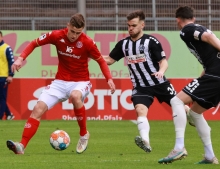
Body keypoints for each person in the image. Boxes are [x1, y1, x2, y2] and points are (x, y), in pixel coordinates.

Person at [6, 13, 116, 154]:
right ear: (68, 26)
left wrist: (109, 79)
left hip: (80, 82)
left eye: (78, 33)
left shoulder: (87, 42)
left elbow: (101, 60)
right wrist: (21, 58)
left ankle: (83, 134)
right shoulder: (57, 35)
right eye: (72, 31)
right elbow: (35, 43)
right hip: (59, 82)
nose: (74, 36)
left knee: (75, 96)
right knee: (38, 109)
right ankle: (21, 146)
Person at [103, 9, 189, 158]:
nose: (130, 28)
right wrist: (92, 55)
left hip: (159, 83)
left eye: (134, 25)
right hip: (141, 86)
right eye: (129, 25)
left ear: (142, 25)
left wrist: (161, 71)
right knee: (140, 110)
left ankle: (195, 117)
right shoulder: (123, 44)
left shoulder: (151, 41)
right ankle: (145, 141)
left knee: (183, 108)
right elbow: (109, 60)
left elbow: (163, 61)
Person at [158, 6, 219, 164]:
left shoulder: (187, 30)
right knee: (195, 113)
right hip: (212, 75)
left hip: (215, 75)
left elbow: (207, 36)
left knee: (176, 101)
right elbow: (210, 56)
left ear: (178, 20)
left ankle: (179, 147)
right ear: (194, 17)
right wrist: (201, 78)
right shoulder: (198, 26)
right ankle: (210, 156)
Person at [0, 31, 15, 120]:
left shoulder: (6, 48)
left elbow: (11, 62)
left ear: (2, 37)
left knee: (2, 98)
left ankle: (0, 116)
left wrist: (11, 75)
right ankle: (9, 114)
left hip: (3, 77)